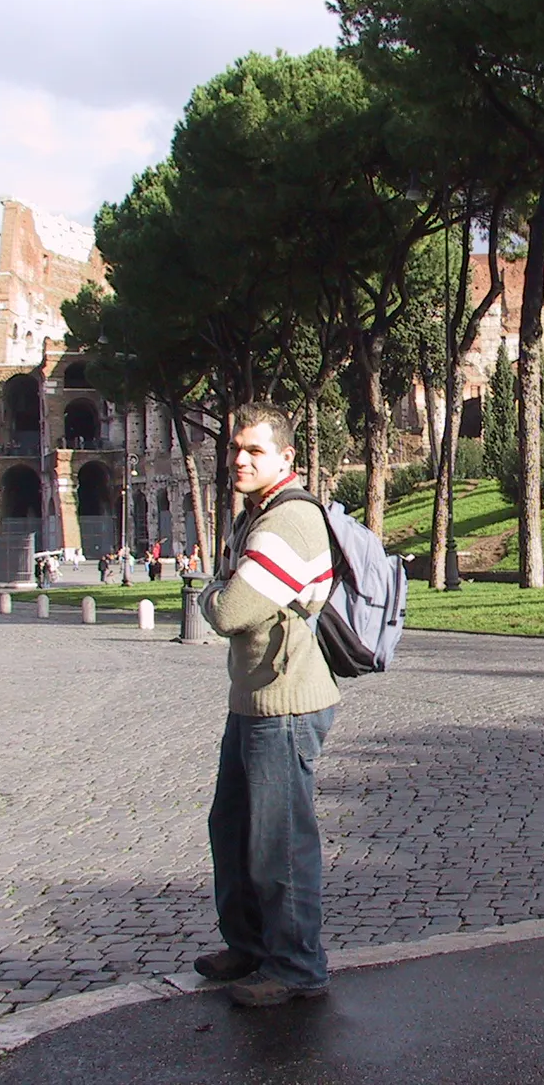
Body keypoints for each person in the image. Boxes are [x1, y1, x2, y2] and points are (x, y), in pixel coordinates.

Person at [195, 401, 338, 1008]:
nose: (240, 459)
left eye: (255, 450)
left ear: (286, 457)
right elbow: (237, 594)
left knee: (278, 840)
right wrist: (223, 587)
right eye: (235, 448)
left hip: (286, 701)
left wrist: (208, 592)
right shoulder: (255, 516)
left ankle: (297, 966)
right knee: (231, 828)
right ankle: (249, 946)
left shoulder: (288, 521)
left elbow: (229, 610)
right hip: (252, 697)